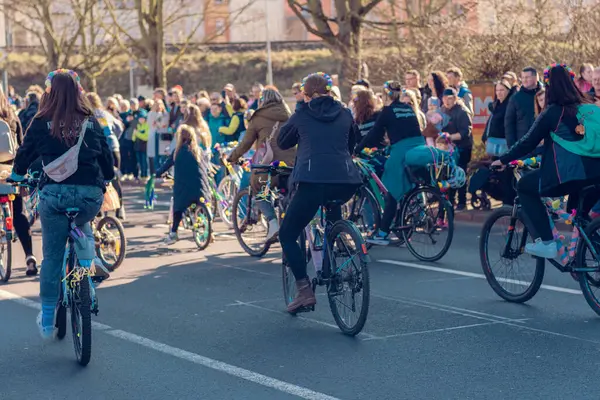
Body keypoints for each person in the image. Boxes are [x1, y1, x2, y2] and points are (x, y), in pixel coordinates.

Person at [11, 70, 114, 339]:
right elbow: (107, 159)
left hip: (54, 196)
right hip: (89, 196)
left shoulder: (42, 120)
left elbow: (23, 156)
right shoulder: (91, 121)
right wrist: (108, 177)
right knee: (83, 223)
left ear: (50, 92)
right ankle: (89, 277)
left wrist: (16, 176)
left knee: (53, 258)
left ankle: (46, 319)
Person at [491, 64, 600, 258]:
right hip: (596, 174)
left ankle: (548, 243)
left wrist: (503, 159)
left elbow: (528, 142)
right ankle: (582, 260)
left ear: (549, 86)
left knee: (525, 186)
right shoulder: (590, 109)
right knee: (580, 220)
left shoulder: (553, 112)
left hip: (569, 175)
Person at [277, 72, 361, 313]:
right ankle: (337, 242)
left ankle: (304, 291)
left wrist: (298, 114)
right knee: (332, 209)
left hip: (312, 180)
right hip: (345, 180)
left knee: (287, 234)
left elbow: (283, 142)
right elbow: (354, 142)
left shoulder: (302, 113)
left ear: (307, 92)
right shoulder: (345, 112)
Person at [356, 80, 424, 245]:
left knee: (389, 191)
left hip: (401, 150)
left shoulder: (387, 111)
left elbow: (374, 134)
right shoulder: (408, 108)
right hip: (419, 147)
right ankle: (410, 207)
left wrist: (358, 148)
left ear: (386, 95)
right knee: (406, 183)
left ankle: (382, 233)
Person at [227, 89, 296, 241]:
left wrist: (232, 157)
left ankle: (272, 223)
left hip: (268, 165)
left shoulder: (258, 117)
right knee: (287, 192)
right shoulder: (289, 115)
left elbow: (246, 143)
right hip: (291, 163)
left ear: (262, 101)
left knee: (259, 188)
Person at [0, 86, 37, 276]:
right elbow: (22, 146)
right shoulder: (12, 117)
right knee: (19, 215)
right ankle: (30, 256)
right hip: (11, 172)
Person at [156, 124, 211, 245]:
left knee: (178, 208)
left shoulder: (178, 152)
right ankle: (209, 232)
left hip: (185, 189)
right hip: (202, 187)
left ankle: (173, 233)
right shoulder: (199, 151)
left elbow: (166, 165)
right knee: (201, 204)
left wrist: (157, 173)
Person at [86, 92, 126, 219]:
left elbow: (103, 131)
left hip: (101, 149)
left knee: (98, 178)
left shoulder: (92, 114)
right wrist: (114, 139)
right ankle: (120, 207)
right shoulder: (105, 113)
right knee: (114, 178)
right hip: (114, 147)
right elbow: (119, 127)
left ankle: (101, 209)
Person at [441, 88, 473, 211]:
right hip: (448, 149)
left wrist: (449, 137)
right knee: (448, 175)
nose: (447, 101)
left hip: (462, 147)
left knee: (460, 174)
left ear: (455, 98)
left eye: (450, 99)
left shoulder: (462, 112)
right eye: (445, 99)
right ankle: (450, 200)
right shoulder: (443, 110)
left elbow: (465, 132)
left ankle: (462, 201)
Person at [505, 66, 542, 147]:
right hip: (523, 145)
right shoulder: (515, 98)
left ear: (536, 78)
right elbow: (509, 124)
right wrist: (512, 146)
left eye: (527, 77)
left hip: (543, 144)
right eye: (523, 77)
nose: (524, 80)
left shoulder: (545, 94)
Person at [147, 99, 170, 175]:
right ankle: (157, 173)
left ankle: (164, 172)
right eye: (156, 104)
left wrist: (156, 123)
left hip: (163, 136)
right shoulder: (151, 113)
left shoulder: (165, 114)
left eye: (160, 104)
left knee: (163, 155)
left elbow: (163, 124)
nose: (158, 106)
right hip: (154, 135)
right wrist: (156, 120)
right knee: (155, 156)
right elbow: (150, 123)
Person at [132, 109, 149, 180]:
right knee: (139, 161)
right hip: (137, 147)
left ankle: (145, 175)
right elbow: (133, 138)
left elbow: (146, 137)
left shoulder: (147, 126)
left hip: (144, 147)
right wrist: (134, 134)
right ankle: (141, 174)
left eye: (143, 118)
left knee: (144, 161)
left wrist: (137, 133)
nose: (141, 120)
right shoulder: (137, 125)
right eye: (140, 118)